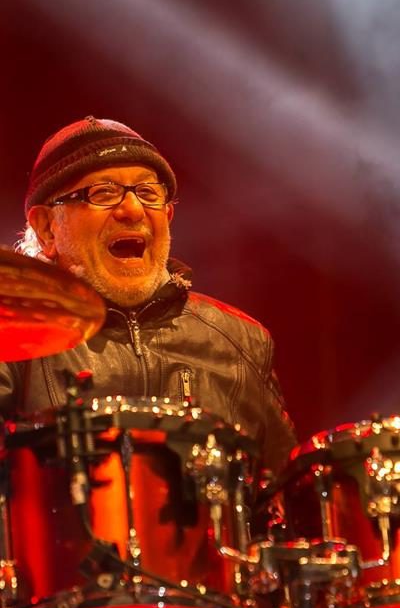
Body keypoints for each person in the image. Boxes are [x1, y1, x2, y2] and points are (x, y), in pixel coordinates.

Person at [0, 115, 296, 478]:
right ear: (47, 228)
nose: (133, 210)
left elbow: (284, 499)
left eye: (148, 193)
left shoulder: (243, 343)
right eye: (103, 193)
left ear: (167, 215)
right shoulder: (10, 335)